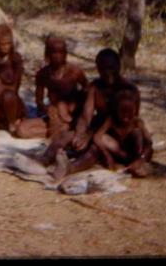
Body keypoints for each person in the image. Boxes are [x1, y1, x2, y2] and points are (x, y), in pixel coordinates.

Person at [44, 48, 143, 181]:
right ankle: (43, 160)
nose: (107, 73)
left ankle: (69, 168)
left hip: (118, 137)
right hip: (98, 129)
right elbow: (86, 116)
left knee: (94, 149)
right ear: (98, 69)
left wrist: (90, 134)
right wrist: (79, 134)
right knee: (65, 137)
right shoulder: (95, 87)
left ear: (118, 66)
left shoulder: (129, 89)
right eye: (103, 69)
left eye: (111, 68)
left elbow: (130, 122)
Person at [15, 36, 88, 139]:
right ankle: (56, 131)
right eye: (54, 52)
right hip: (52, 114)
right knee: (22, 130)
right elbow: (39, 100)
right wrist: (47, 110)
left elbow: (87, 90)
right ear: (48, 54)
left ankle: (60, 131)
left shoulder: (74, 71)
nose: (58, 56)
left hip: (70, 114)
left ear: (65, 53)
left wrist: (74, 108)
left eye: (61, 52)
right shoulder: (43, 74)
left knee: (61, 120)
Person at [93, 89, 153, 177]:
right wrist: (106, 154)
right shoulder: (111, 120)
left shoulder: (137, 122)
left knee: (137, 133)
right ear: (116, 110)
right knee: (103, 138)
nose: (126, 116)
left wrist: (141, 158)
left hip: (135, 154)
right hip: (120, 153)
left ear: (134, 110)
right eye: (122, 112)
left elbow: (149, 141)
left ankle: (136, 164)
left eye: (129, 112)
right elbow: (97, 137)